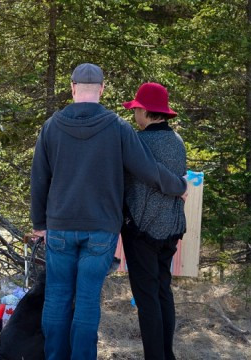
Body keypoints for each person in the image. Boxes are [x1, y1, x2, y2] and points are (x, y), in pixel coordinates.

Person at [30, 63, 187, 360]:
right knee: (88, 301)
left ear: (73, 87)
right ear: (102, 89)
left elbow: (39, 178)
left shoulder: (51, 126)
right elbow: (149, 170)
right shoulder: (117, 127)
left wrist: (40, 223)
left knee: (57, 297)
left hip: (60, 226)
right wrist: (178, 185)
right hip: (101, 230)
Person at [121, 82, 186, 360]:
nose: (134, 114)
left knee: (147, 299)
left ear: (146, 112)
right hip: (171, 229)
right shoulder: (178, 141)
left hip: (142, 230)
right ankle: (166, 355)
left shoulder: (137, 142)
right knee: (162, 292)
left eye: (136, 109)